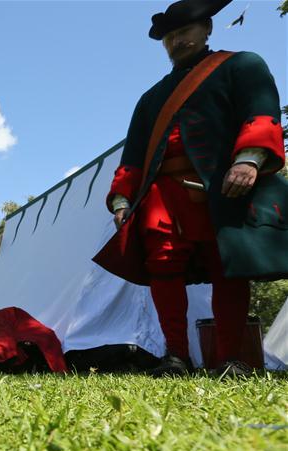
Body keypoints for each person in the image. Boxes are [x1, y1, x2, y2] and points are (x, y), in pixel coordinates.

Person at [94, 0, 287, 377]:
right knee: (162, 266)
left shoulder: (242, 64)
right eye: (168, 38)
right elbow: (133, 155)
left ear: (207, 30)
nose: (175, 42)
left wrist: (248, 159)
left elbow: (261, 111)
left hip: (222, 182)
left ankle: (230, 359)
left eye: (182, 33)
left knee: (227, 266)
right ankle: (176, 356)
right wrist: (121, 198)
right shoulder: (151, 98)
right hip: (162, 193)